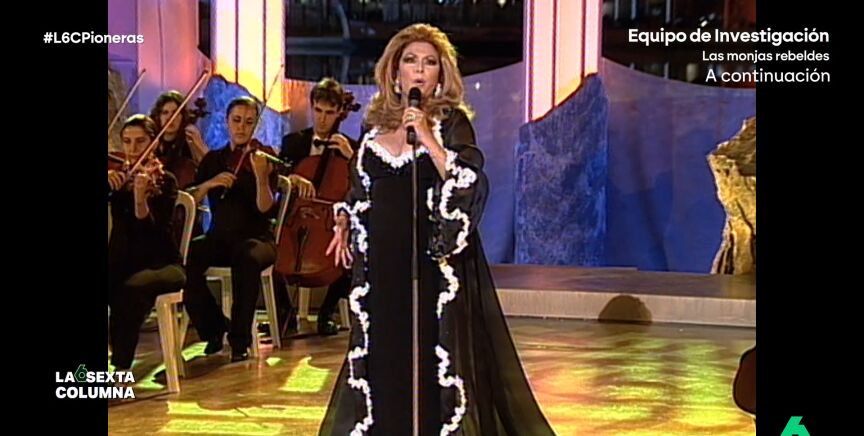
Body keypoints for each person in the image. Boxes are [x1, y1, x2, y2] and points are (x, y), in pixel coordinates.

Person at [319, 24, 556, 435]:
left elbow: (469, 183)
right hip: (383, 268)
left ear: (440, 75)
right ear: (394, 72)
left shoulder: (452, 124)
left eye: (429, 63)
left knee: (430, 358)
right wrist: (344, 218)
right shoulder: (372, 129)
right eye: (410, 61)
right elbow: (360, 190)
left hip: (432, 265)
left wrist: (429, 139)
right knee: (384, 354)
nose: (419, 70)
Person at [182, 96, 279, 362]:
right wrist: (209, 184)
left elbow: (265, 209)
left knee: (247, 258)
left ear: (255, 126)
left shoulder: (263, 159)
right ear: (227, 122)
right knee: (187, 257)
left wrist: (261, 178)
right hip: (220, 237)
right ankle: (213, 327)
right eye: (236, 120)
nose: (241, 127)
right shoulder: (213, 160)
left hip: (257, 239)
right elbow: (190, 199)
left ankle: (240, 341)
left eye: (248, 122)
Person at [279, 77, 358, 335]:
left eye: (330, 113)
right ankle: (285, 313)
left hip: (332, 222)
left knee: (353, 253)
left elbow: (362, 184)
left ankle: (326, 314)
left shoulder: (350, 146)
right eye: (318, 110)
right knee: (269, 250)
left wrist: (352, 158)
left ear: (340, 112)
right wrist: (292, 178)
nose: (323, 119)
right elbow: (277, 177)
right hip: (296, 217)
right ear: (312, 107)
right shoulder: (293, 142)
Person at [108, 115, 185, 372]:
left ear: (154, 143)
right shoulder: (118, 179)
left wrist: (140, 199)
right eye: (127, 141)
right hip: (123, 262)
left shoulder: (165, 181)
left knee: (130, 290)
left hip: (162, 264)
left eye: (140, 141)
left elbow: (152, 233)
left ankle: (121, 369)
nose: (132, 149)